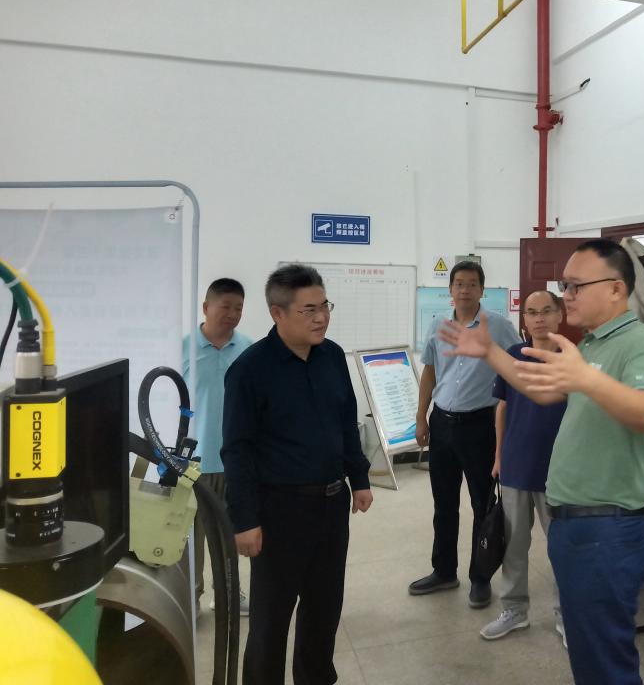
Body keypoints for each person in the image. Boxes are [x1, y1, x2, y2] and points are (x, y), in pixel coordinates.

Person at [439, 239, 644, 684]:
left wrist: (585, 378)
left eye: (577, 286)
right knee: (589, 655)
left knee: (607, 660)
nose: (567, 295)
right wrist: (491, 353)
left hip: (606, 527)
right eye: (566, 286)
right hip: (576, 523)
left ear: (617, 289)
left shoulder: (640, 342)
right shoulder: (594, 346)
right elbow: (542, 390)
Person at [221, 264, 373, 685]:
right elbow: (237, 449)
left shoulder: (332, 357)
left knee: (324, 610)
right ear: (278, 313)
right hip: (279, 510)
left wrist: (359, 478)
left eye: (325, 306)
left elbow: (346, 423)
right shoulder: (250, 370)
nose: (321, 317)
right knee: (271, 619)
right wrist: (245, 519)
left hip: (331, 505)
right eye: (309, 310)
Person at [408, 260, 521, 609]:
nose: (465, 290)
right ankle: (444, 571)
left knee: (481, 505)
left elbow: (517, 369)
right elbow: (430, 372)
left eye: (472, 284)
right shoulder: (438, 326)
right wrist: (421, 416)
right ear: (450, 289)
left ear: (482, 290)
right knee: (444, 504)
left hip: (480, 426)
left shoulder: (499, 326)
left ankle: (480, 577)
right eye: (459, 284)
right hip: (442, 423)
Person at [479, 290, 567, 644]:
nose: (539, 318)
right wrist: (499, 455)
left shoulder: (572, 361)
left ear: (560, 314)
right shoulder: (514, 356)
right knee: (513, 545)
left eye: (546, 311)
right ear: (524, 319)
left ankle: (566, 614)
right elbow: (502, 407)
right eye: (531, 312)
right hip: (516, 465)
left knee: (561, 548)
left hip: (559, 472)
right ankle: (514, 610)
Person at [183, 278, 253, 612]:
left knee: (228, 535)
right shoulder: (183, 348)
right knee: (190, 538)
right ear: (206, 307)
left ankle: (229, 594)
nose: (233, 314)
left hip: (235, 461)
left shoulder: (249, 349)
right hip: (192, 461)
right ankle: (192, 597)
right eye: (225, 306)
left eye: (238, 308)